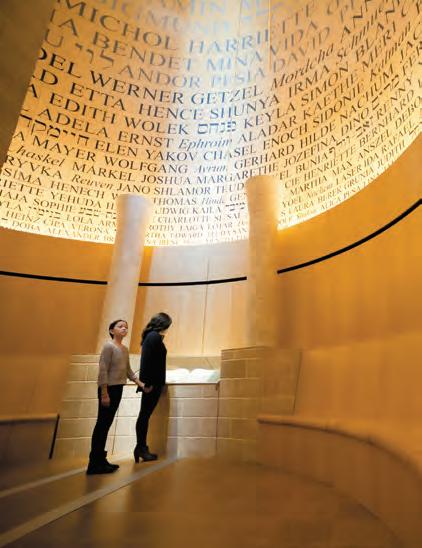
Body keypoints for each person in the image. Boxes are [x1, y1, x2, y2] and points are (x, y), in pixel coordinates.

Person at [87, 319, 145, 475]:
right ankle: (94, 463)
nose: (124, 329)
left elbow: (128, 371)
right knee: (102, 425)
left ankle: (101, 459)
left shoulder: (124, 349)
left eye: (126, 327)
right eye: (120, 326)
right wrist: (104, 393)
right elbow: (103, 369)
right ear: (112, 330)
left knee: (106, 425)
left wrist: (141, 384)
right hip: (108, 389)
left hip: (118, 389)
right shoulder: (109, 346)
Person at [134, 312, 172, 462]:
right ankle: (141, 448)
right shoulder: (154, 337)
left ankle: (141, 447)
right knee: (144, 416)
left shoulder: (151, 336)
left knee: (144, 415)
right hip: (151, 385)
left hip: (151, 383)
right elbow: (148, 362)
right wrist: (147, 385)